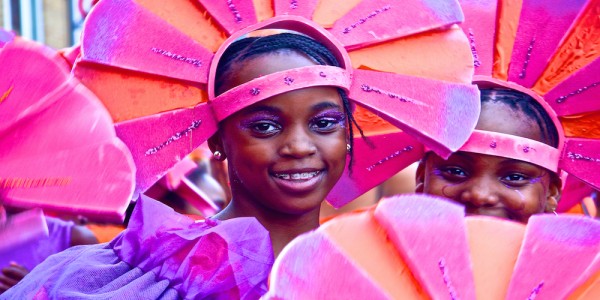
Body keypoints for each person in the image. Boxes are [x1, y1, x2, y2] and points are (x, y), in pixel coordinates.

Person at [416, 88, 561, 223]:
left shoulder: (576, 251)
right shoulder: (394, 248)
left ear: (551, 193)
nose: (479, 196)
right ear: (422, 178)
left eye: (514, 177)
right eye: (455, 171)